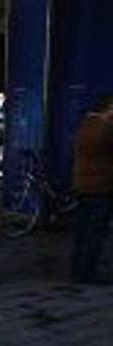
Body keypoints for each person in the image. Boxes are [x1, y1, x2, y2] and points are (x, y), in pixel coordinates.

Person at [70, 95, 113, 283]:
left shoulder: (86, 124)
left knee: (82, 232)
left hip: (83, 184)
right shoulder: (106, 128)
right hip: (100, 186)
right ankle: (88, 272)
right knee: (95, 233)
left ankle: (78, 270)